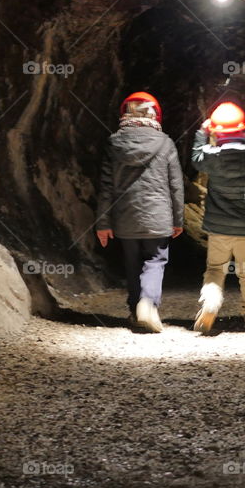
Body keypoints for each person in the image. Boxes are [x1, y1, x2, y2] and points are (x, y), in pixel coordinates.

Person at [95, 91, 184, 333]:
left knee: (131, 263)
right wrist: (178, 219)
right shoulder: (165, 142)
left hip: (124, 216)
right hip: (159, 215)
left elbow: (105, 187)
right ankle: (148, 303)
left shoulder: (113, 143)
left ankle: (136, 310)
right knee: (155, 260)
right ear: (155, 114)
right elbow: (175, 185)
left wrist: (103, 223)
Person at [191, 101, 245, 334]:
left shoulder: (211, 157)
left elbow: (195, 158)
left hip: (218, 228)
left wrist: (202, 133)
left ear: (216, 131)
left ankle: (210, 303)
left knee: (215, 270)